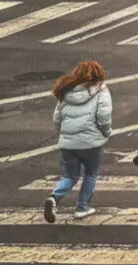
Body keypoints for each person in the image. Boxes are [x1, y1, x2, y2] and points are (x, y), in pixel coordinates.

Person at [45, 60, 113, 222]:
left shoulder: (65, 91)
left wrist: (64, 133)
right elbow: (103, 118)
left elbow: (57, 118)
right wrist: (106, 133)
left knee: (70, 175)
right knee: (91, 173)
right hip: (91, 142)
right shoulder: (102, 91)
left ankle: (54, 198)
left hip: (68, 143)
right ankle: (83, 207)